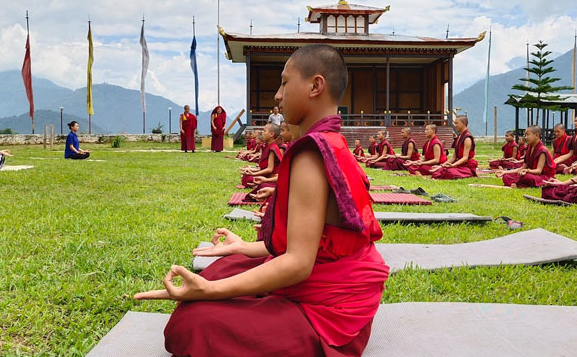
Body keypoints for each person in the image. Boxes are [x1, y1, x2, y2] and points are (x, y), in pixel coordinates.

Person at [135, 44, 389, 356]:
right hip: (329, 281)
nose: (277, 96)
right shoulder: (330, 143)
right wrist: (241, 247)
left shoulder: (312, 154)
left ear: (315, 85)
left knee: (192, 324)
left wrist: (210, 291)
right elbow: (315, 241)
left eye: (284, 82)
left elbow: (297, 263)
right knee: (222, 267)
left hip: (328, 313)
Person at [240, 123, 282, 189]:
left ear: (271, 134)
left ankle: (257, 185)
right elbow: (263, 166)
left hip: (271, 177)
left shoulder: (273, 148)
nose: (262, 133)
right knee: (246, 176)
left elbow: (269, 169)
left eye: (264, 131)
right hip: (265, 175)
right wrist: (251, 169)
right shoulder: (268, 146)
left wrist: (253, 174)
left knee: (251, 178)